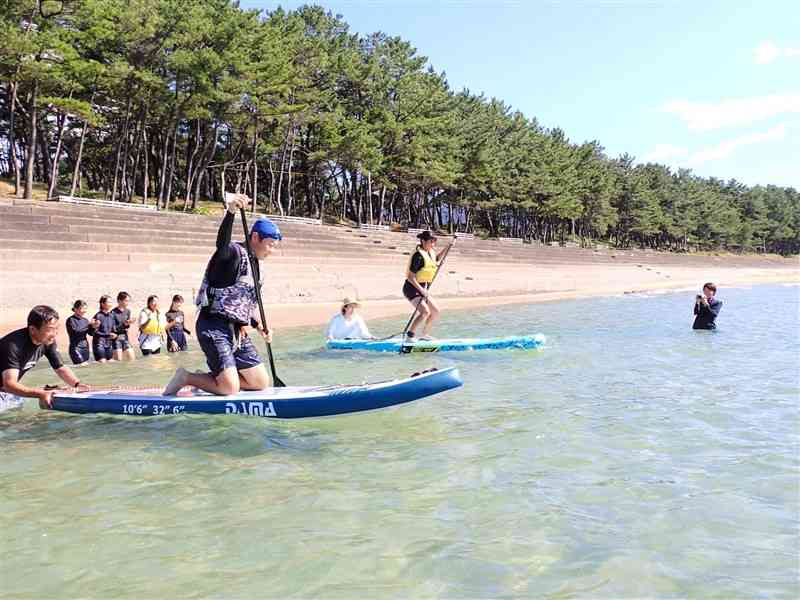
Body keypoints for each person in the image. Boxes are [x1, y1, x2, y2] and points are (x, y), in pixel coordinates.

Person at [163, 194, 278, 396]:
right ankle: (187, 377)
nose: (272, 250)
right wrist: (231, 212)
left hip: (235, 331)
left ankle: (211, 379)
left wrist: (259, 326)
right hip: (213, 326)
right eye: (270, 244)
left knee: (260, 382)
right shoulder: (232, 254)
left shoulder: (255, 265)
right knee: (230, 388)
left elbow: (244, 305)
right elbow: (221, 245)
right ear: (255, 237)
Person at [0, 305, 88, 410]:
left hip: (6, 392)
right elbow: (9, 384)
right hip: (6, 390)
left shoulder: (47, 341)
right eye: (50, 329)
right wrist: (40, 393)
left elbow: (60, 367)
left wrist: (77, 384)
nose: (54, 334)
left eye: (57, 329)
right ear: (32, 329)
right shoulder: (13, 345)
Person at [402, 230, 453, 340]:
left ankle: (424, 335)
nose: (433, 244)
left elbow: (436, 259)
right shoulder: (418, 256)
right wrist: (422, 291)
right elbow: (410, 277)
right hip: (412, 288)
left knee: (435, 311)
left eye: (434, 242)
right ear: (423, 241)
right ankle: (409, 337)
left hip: (422, 288)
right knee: (425, 312)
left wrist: (447, 248)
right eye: (431, 242)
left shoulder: (430, 252)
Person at [65, 299, 95, 366]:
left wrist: (93, 327)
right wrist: (89, 325)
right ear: (75, 309)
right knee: (81, 365)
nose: (84, 311)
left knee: (85, 368)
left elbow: (91, 333)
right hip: (75, 348)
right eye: (82, 309)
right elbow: (76, 332)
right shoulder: (70, 320)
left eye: (85, 309)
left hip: (85, 347)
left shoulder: (85, 320)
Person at [90, 295, 117, 362]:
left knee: (111, 361)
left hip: (109, 343)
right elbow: (93, 332)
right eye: (109, 302)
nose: (111, 304)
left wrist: (115, 335)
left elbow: (113, 330)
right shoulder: (98, 316)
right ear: (102, 304)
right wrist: (93, 325)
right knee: (102, 361)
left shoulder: (112, 316)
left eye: (111, 302)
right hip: (99, 343)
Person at [111, 291, 135, 361]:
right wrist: (124, 324)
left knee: (132, 358)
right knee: (118, 360)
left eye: (128, 301)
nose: (127, 303)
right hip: (116, 339)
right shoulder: (113, 313)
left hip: (125, 337)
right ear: (119, 301)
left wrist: (128, 323)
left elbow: (127, 326)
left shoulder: (128, 311)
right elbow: (113, 329)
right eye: (126, 301)